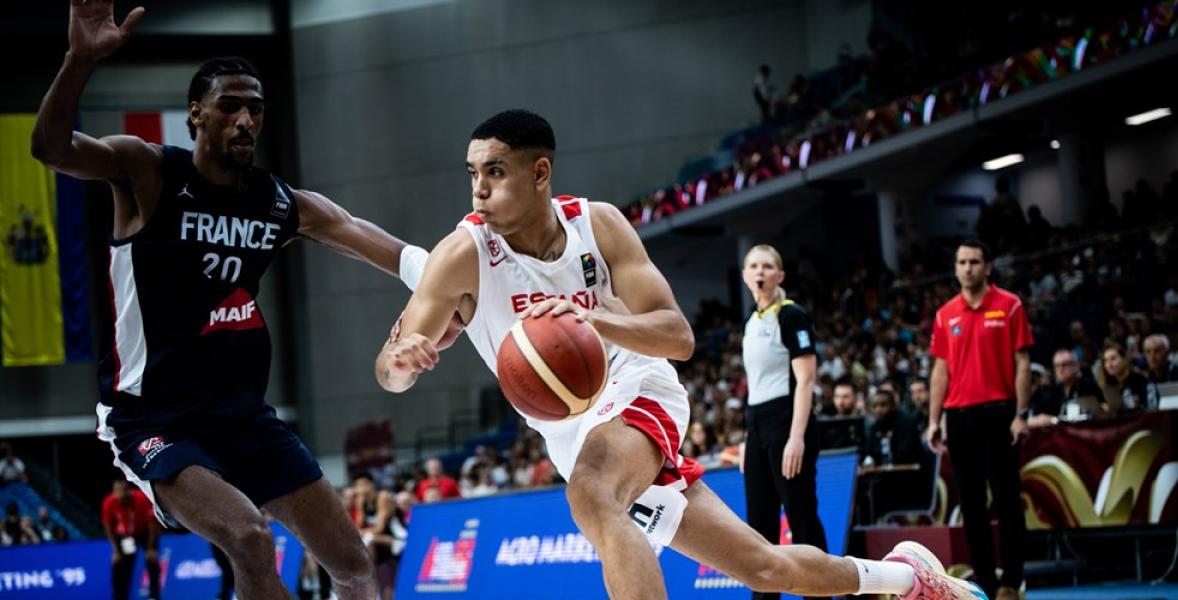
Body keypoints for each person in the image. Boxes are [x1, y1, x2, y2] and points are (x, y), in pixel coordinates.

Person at [377, 109, 984, 600]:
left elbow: (679, 336)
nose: (479, 189)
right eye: (472, 174)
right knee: (765, 569)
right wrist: (400, 360)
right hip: (572, 432)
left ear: (540, 174)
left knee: (592, 491)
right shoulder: (462, 253)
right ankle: (910, 579)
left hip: (638, 387)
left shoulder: (599, 226)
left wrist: (596, 318)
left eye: (495, 172)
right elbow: (390, 374)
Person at [30, 4, 460, 598]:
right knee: (250, 538)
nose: (245, 119)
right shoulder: (147, 173)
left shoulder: (278, 202)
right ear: (195, 115)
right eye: (229, 105)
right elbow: (50, 148)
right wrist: (79, 60)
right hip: (151, 417)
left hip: (244, 416)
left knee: (355, 566)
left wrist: (451, 283)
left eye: (255, 108)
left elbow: (378, 244)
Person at [926, 239, 1032, 600]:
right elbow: (940, 371)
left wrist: (1020, 413)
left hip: (1000, 413)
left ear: (987, 267)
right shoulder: (945, 314)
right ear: (955, 268)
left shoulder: (1010, 305)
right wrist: (934, 419)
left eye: (974, 261)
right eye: (961, 261)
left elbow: (1022, 363)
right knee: (971, 504)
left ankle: (1013, 580)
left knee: (1006, 499)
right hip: (959, 417)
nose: (967, 267)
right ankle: (984, 581)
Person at [739, 244, 827, 600]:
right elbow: (756, 387)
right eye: (753, 266)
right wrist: (749, 440)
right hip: (758, 424)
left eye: (767, 266)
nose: (760, 272)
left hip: (787, 422)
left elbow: (806, 381)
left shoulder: (791, 316)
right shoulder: (751, 321)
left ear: (780, 275)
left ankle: (821, 594)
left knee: (801, 516)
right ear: (745, 276)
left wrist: (796, 437)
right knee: (759, 527)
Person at [102, 479, 159, 600]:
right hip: (127, 537)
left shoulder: (142, 499)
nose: (119, 497)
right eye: (116, 492)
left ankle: (154, 596)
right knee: (122, 564)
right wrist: (116, 551)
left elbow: (152, 525)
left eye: (121, 492)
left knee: (152, 561)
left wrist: (150, 548)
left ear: (128, 491)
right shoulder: (109, 502)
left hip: (145, 534)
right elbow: (108, 528)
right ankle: (120, 597)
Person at [1028, 349, 1104, 427]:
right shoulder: (1052, 391)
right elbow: (1034, 419)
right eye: (1057, 366)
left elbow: (1101, 411)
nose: (1060, 369)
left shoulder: (1088, 386)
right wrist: (1051, 420)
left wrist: (1054, 420)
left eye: (1064, 365)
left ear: (1075, 366)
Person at [1098, 342, 1150, 413]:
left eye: (1113, 359)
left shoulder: (1138, 379)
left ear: (1124, 359)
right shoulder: (1108, 384)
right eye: (1106, 361)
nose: (1109, 365)